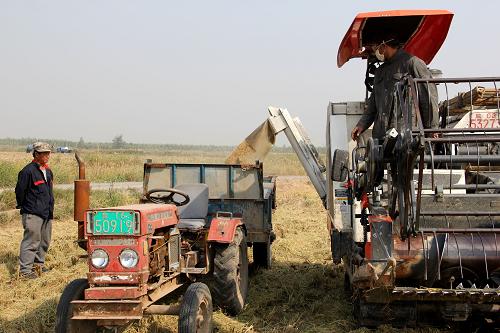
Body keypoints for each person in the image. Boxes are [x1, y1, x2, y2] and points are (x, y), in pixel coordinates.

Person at [351, 38, 439, 141]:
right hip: (381, 137)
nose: (375, 51)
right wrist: (361, 125)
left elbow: (428, 98)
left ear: (384, 45)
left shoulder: (412, 63)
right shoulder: (380, 72)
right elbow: (372, 105)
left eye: (375, 47)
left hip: (405, 138)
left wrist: (432, 129)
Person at [15, 142, 54, 279]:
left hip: (46, 213)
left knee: (44, 240)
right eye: (44, 153)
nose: (47, 156)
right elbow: (20, 191)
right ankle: (25, 271)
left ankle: (38, 266)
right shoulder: (27, 171)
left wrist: (50, 211)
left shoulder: (48, 172)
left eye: (48, 153)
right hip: (32, 213)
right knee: (31, 241)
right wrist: (25, 207)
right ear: (36, 154)